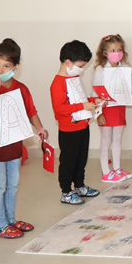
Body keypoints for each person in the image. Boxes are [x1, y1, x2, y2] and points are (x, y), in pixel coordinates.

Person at [0, 38, 48, 238]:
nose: (0, 70)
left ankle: (11, 220)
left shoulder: (21, 89)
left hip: (14, 146)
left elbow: (31, 112)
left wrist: (40, 128)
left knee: (12, 185)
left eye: (6, 66)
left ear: (16, 67)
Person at [92, 34, 132, 183]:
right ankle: (106, 172)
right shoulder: (100, 70)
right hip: (105, 109)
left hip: (119, 108)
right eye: (112, 50)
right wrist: (99, 113)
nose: (116, 53)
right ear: (105, 53)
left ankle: (117, 168)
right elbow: (95, 93)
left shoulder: (125, 68)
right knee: (106, 140)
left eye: (119, 50)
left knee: (118, 139)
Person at [51, 40, 100, 204]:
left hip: (83, 126)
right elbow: (59, 108)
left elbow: (80, 99)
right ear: (68, 62)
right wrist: (83, 106)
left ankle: (79, 185)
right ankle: (66, 191)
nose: (82, 69)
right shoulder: (57, 83)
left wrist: (93, 100)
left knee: (81, 159)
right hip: (68, 130)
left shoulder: (75, 78)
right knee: (68, 162)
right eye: (81, 66)